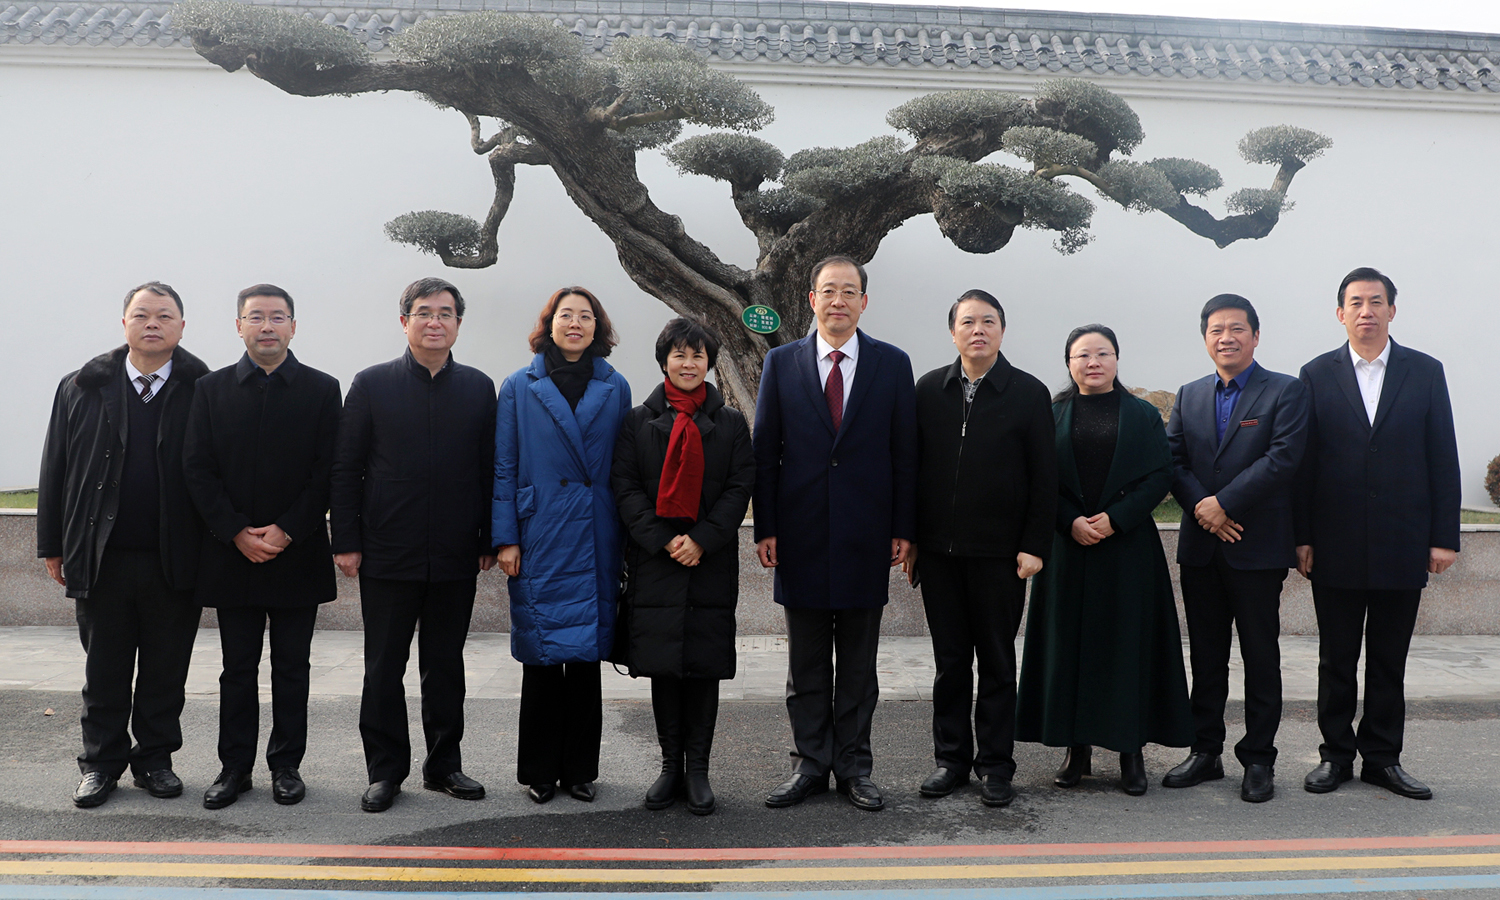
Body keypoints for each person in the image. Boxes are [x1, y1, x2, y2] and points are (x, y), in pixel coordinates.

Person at [753, 255, 918, 813]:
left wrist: (903, 528)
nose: (839, 300)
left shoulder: (892, 364)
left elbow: (905, 453)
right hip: (798, 536)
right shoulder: (781, 363)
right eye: (829, 291)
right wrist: (767, 527)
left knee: (857, 666)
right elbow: (765, 452)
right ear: (812, 299)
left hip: (866, 537)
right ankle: (808, 765)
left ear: (864, 302)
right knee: (805, 665)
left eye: (850, 291)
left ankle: (853, 767)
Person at [38, 281, 210, 808]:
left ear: (182, 326)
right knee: (104, 671)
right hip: (101, 557)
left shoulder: (203, 388)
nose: (152, 323)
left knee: (165, 670)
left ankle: (155, 760)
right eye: (141, 314)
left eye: (164, 315)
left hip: (174, 557)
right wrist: (52, 545)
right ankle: (100, 764)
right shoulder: (81, 386)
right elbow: (55, 467)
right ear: (124, 323)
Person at [330, 277, 497, 813]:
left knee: (445, 665)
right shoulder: (372, 384)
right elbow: (347, 467)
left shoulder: (478, 387)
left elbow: (489, 469)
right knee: (384, 666)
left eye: (445, 313)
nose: (434, 322)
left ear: (458, 324)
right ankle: (385, 771)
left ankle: (444, 765)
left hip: (455, 551)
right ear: (404, 321)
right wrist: (346, 540)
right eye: (424, 312)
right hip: (387, 549)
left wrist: (489, 537)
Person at [1294, 267, 1460, 801]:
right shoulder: (1315, 374)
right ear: (1340, 313)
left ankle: (1383, 759)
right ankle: (1335, 756)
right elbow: (1303, 462)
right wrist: (1302, 535)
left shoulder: (1425, 371)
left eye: (1376, 301)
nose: (1366, 311)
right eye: (1356, 302)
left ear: (1392, 310)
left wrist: (1444, 536)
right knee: (1336, 659)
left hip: (1401, 541)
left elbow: (1442, 455)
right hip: (1334, 541)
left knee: (1389, 658)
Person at [183, 283, 342, 809]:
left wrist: (287, 529)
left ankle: (286, 766)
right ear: (239, 327)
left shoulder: (322, 389)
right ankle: (234, 768)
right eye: (256, 317)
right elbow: (197, 467)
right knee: (237, 668)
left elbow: (328, 470)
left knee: (292, 668)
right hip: (233, 554)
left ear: (294, 327)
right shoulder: (211, 389)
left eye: (277, 317)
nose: (267, 326)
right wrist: (235, 531)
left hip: (297, 552)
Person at [1015, 325, 1193, 796]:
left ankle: (1131, 752)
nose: (1093, 362)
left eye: (1102, 353)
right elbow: (1037, 477)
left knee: (1126, 648)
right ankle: (1076, 751)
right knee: (1068, 649)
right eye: (1082, 355)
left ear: (1116, 359)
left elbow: (1160, 475)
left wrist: (1116, 519)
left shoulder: (1142, 414)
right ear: (1069, 363)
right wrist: (1070, 520)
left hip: (1127, 548)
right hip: (1067, 548)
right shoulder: (1052, 413)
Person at [905, 290, 1056, 808]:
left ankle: (995, 765)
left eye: (988, 321)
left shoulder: (1029, 393)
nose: (978, 330)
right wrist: (912, 539)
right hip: (939, 554)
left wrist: (1034, 545)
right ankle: (950, 761)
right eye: (967, 322)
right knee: (950, 663)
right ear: (953, 333)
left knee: (996, 662)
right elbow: (911, 469)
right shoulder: (929, 389)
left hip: (1001, 556)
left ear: (1002, 331)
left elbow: (1045, 477)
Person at [1164, 294, 1308, 803]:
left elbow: (1283, 458)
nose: (1226, 337)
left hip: (1256, 546)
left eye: (1237, 328)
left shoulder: (1285, 391)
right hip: (1201, 548)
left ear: (1255, 335)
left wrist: (1223, 504)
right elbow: (1172, 459)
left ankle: (1259, 759)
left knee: (1260, 656)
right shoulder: (1189, 394)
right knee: (1206, 657)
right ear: (1206, 338)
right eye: (1216, 330)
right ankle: (1205, 751)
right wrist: (1203, 507)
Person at [493, 286, 631, 805]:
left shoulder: (615, 385)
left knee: (586, 658)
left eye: (586, 316)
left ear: (598, 327)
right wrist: (506, 537)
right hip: (540, 533)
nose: (575, 323)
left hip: (597, 531)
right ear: (549, 323)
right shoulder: (519, 385)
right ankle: (539, 770)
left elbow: (624, 466)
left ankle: (580, 770)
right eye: (566, 315)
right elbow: (504, 466)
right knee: (543, 655)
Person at [611, 317, 754, 816]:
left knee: (703, 667)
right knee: (664, 667)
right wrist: (664, 539)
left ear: (709, 363)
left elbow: (740, 487)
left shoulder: (731, 423)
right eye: (679, 354)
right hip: (656, 560)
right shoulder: (637, 421)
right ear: (664, 361)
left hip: (709, 560)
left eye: (698, 355)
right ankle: (670, 766)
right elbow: (625, 487)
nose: (688, 363)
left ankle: (698, 772)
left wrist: (702, 540)